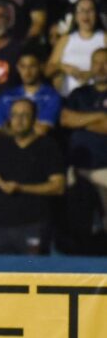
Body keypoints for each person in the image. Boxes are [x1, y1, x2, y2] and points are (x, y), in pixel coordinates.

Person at [0, 98, 65, 254]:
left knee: (32, 269)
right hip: (1, 226)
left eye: (24, 115)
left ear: (34, 119)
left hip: (34, 224)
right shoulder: (2, 146)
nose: (19, 120)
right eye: (14, 115)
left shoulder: (47, 146)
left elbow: (58, 187)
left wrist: (21, 188)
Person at [60, 47, 107, 253]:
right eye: (96, 63)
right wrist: (100, 116)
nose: (101, 67)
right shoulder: (79, 94)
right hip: (78, 168)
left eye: (105, 63)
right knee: (78, 222)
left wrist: (81, 121)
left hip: (104, 168)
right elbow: (65, 119)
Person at [0, 51, 62, 137]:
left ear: (41, 67)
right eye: (23, 66)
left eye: (32, 66)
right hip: (7, 143)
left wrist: (8, 129)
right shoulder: (6, 96)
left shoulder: (51, 96)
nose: (27, 72)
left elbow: (42, 130)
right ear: (18, 68)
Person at [46, 0, 106, 98]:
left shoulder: (104, 38)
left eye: (90, 10)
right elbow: (48, 70)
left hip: (99, 97)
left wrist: (93, 73)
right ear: (75, 15)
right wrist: (63, 67)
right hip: (69, 98)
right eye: (81, 10)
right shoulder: (65, 40)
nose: (86, 14)